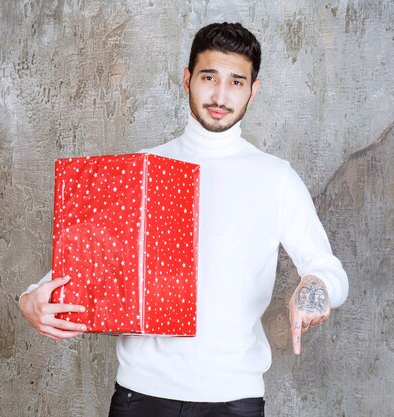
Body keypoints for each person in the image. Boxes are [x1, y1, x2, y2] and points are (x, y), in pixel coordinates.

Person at [19, 22, 349, 417]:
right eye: (209, 77)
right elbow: (82, 262)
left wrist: (315, 287)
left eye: (236, 82)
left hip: (234, 400)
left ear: (253, 91)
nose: (221, 96)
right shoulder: (140, 168)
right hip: (140, 396)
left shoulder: (275, 177)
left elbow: (329, 271)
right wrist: (29, 299)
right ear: (187, 79)